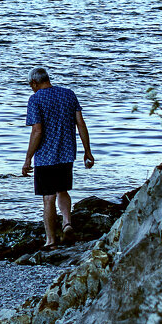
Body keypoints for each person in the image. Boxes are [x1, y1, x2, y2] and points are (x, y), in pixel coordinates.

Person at [21, 67, 95, 247]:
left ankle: (51, 240)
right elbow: (81, 124)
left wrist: (28, 158)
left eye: (30, 85)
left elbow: (37, 131)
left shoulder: (35, 99)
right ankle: (67, 223)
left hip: (45, 157)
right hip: (67, 153)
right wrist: (87, 151)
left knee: (48, 197)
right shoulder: (69, 94)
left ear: (34, 83)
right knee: (62, 190)